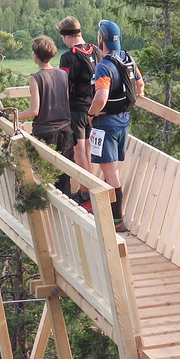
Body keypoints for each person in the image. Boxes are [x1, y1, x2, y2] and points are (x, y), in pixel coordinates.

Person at [88, 19, 144, 232]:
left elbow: (101, 98)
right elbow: (140, 85)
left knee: (109, 172)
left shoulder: (104, 67)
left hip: (106, 125)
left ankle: (116, 221)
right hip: (123, 122)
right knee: (114, 170)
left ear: (101, 39)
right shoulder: (128, 59)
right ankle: (112, 215)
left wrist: (90, 114)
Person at [14, 34, 74, 196]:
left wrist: (12, 117)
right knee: (63, 181)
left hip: (46, 134)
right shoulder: (63, 74)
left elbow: (34, 110)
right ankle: (65, 218)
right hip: (66, 132)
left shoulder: (36, 78)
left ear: (35, 55)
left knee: (45, 181)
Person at [57, 16, 97, 176]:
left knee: (78, 150)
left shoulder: (68, 57)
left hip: (76, 109)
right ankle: (92, 191)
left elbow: (63, 86)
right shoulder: (96, 51)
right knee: (88, 150)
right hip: (95, 108)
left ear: (67, 35)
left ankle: (86, 192)